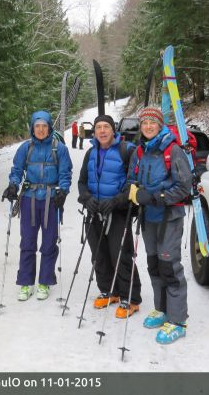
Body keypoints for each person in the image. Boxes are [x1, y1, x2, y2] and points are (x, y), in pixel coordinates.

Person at [126, 106, 192, 344]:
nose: (148, 126)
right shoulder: (140, 151)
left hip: (169, 218)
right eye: (144, 123)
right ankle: (161, 308)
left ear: (160, 124)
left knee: (169, 266)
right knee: (153, 263)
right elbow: (132, 179)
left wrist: (155, 197)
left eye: (152, 122)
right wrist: (133, 192)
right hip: (148, 218)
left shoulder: (173, 151)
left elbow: (184, 187)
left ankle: (177, 321)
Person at [2, 111, 72, 301]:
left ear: (49, 127)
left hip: (51, 198)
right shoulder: (26, 148)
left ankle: (44, 281)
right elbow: (17, 170)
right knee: (28, 241)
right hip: (29, 199)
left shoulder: (60, 149)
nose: (41, 129)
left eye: (44, 126)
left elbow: (66, 174)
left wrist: (63, 191)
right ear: (32, 128)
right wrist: (12, 185)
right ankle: (26, 282)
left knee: (49, 242)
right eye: (37, 126)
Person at [77, 115, 141, 318]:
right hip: (94, 211)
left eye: (106, 127)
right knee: (99, 253)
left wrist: (115, 201)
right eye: (98, 127)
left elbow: (134, 183)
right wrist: (86, 198)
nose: (102, 131)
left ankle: (130, 297)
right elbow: (82, 181)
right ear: (94, 132)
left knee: (121, 253)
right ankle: (108, 290)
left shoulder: (126, 151)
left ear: (114, 131)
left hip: (117, 211)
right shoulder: (90, 153)